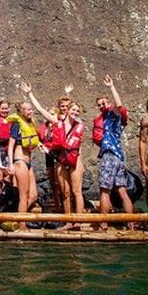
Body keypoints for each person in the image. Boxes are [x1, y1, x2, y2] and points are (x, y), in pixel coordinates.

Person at [23, 83, 86, 229]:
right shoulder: (57, 121)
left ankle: (79, 222)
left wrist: (68, 93)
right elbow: (40, 110)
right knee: (65, 192)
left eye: (77, 111)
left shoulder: (79, 124)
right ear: (67, 111)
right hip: (61, 160)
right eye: (73, 110)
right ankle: (69, 222)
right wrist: (30, 93)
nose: (75, 113)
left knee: (77, 192)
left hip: (75, 160)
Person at [94, 75, 134, 229]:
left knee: (104, 190)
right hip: (119, 156)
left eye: (103, 103)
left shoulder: (113, 115)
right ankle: (130, 223)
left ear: (108, 103)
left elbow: (119, 104)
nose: (101, 106)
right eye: (99, 104)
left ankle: (103, 224)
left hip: (110, 155)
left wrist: (111, 86)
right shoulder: (104, 119)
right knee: (122, 190)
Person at [8, 94, 41, 230]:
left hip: (28, 162)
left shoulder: (30, 124)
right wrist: (10, 163)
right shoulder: (17, 124)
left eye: (31, 109)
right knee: (24, 195)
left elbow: (32, 141)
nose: (30, 111)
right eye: (28, 109)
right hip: (20, 160)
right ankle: (22, 225)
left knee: (33, 195)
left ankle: (16, 216)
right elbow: (11, 145)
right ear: (21, 111)